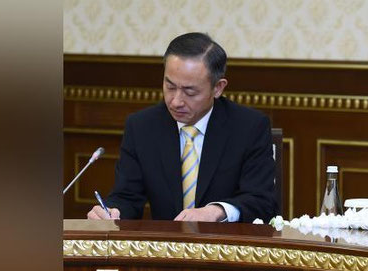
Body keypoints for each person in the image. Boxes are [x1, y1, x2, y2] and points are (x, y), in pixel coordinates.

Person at [87, 33, 278, 222]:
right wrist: (112, 211)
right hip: (166, 241)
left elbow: (262, 201)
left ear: (218, 88)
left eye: (190, 91)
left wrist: (218, 211)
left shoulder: (249, 127)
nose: (176, 101)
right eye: (170, 87)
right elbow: (127, 197)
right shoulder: (142, 127)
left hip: (226, 241)